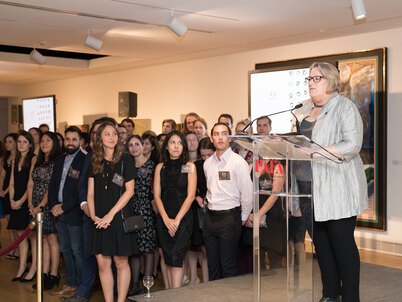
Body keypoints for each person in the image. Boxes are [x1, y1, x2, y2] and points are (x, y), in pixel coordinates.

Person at [293, 62, 367, 302]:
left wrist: (316, 151)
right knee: (321, 247)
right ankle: (330, 295)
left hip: (337, 188)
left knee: (342, 246)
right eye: (309, 79)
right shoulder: (303, 109)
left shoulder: (344, 107)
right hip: (308, 188)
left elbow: (352, 145)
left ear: (331, 81)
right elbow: (296, 146)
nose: (312, 83)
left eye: (317, 78)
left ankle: (351, 298)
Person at [87, 122, 138, 302]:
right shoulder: (94, 160)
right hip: (99, 218)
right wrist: (94, 216)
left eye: (114, 134)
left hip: (118, 216)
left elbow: (130, 191)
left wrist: (110, 215)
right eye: (107, 134)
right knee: (103, 264)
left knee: (121, 262)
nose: (111, 137)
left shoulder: (125, 159)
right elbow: (90, 193)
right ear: (99, 137)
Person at [203, 123, 253, 280]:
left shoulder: (238, 162)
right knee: (213, 266)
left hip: (230, 219)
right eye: (216, 134)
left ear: (230, 138)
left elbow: (247, 193)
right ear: (211, 138)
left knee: (228, 266)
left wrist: (242, 218)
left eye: (224, 134)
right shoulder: (207, 163)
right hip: (210, 218)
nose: (220, 137)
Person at [153, 130, 196, 288]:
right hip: (164, 219)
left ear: (184, 147)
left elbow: (191, 196)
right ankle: (170, 294)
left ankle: (175, 296)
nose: (176, 146)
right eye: (172, 142)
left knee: (177, 258)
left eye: (179, 143)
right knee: (167, 258)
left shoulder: (189, 166)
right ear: (166, 147)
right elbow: (156, 196)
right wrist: (165, 219)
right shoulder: (160, 167)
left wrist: (176, 221)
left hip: (183, 220)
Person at [49, 126, 87, 296]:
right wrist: (54, 205)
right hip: (57, 211)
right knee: (65, 249)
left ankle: (81, 284)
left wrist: (64, 207)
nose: (70, 142)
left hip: (74, 212)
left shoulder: (85, 159)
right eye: (68, 139)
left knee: (77, 250)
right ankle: (70, 282)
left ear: (80, 141)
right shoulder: (59, 159)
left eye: (74, 139)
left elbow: (81, 190)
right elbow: (53, 185)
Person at [25, 132, 62, 286]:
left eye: (48, 140)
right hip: (34, 206)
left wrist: (40, 205)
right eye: (42, 141)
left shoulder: (58, 161)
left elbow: (51, 187)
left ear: (54, 143)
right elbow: (30, 183)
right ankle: (44, 273)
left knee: (52, 239)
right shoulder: (37, 161)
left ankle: (54, 274)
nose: (44, 143)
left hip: (47, 205)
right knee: (43, 240)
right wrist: (30, 205)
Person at [127, 135, 156, 295]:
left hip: (147, 211)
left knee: (148, 250)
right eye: (130, 145)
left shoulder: (152, 166)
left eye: (137, 144)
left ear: (143, 146)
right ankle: (135, 284)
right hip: (131, 210)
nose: (134, 148)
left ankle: (147, 284)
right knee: (134, 250)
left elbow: (155, 192)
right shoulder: (127, 165)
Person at [7, 131, 35, 281]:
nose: (21, 144)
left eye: (25, 142)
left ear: (30, 144)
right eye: (19, 142)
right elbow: (11, 182)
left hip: (27, 201)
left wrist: (22, 201)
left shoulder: (33, 159)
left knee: (31, 236)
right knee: (20, 237)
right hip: (15, 201)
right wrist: (12, 199)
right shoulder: (14, 160)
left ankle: (33, 268)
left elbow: (30, 183)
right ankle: (22, 267)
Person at [188, 137, 215, 284]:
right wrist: (197, 196)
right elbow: (190, 186)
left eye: (209, 155)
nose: (206, 159)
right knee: (194, 245)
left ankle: (208, 281)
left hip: (213, 210)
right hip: (196, 209)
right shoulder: (196, 165)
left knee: (207, 249)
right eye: (203, 155)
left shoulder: (218, 165)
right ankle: (195, 278)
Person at [0, 133, 19, 259]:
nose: (7, 144)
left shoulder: (18, 158)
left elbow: (15, 179)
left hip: (13, 192)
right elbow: (2, 176)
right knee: (9, 225)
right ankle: (13, 248)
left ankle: (18, 250)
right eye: (6, 142)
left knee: (15, 224)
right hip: (3, 194)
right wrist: (1, 190)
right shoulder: (4, 158)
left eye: (10, 142)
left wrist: (6, 190)